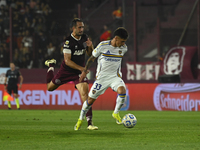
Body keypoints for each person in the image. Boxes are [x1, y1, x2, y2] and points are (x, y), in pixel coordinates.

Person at [44, 18, 98, 130]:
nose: (81, 29)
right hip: (66, 70)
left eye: (82, 27)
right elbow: (68, 61)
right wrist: (83, 69)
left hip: (79, 72)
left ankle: (90, 123)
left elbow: (89, 53)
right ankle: (51, 66)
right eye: (79, 27)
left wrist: (90, 46)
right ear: (73, 28)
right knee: (50, 88)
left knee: (85, 94)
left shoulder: (84, 37)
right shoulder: (68, 41)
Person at [74, 27, 129, 130]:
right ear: (116, 38)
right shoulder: (102, 46)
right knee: (90, 100)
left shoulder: (124, 48)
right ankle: (80, 119)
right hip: (101, 79)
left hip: (114, 77)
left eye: (124, 42)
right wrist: (84, 71)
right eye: (122, 41)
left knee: (122, 91)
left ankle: (116, 113)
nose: (123, 44)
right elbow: (91, 58)